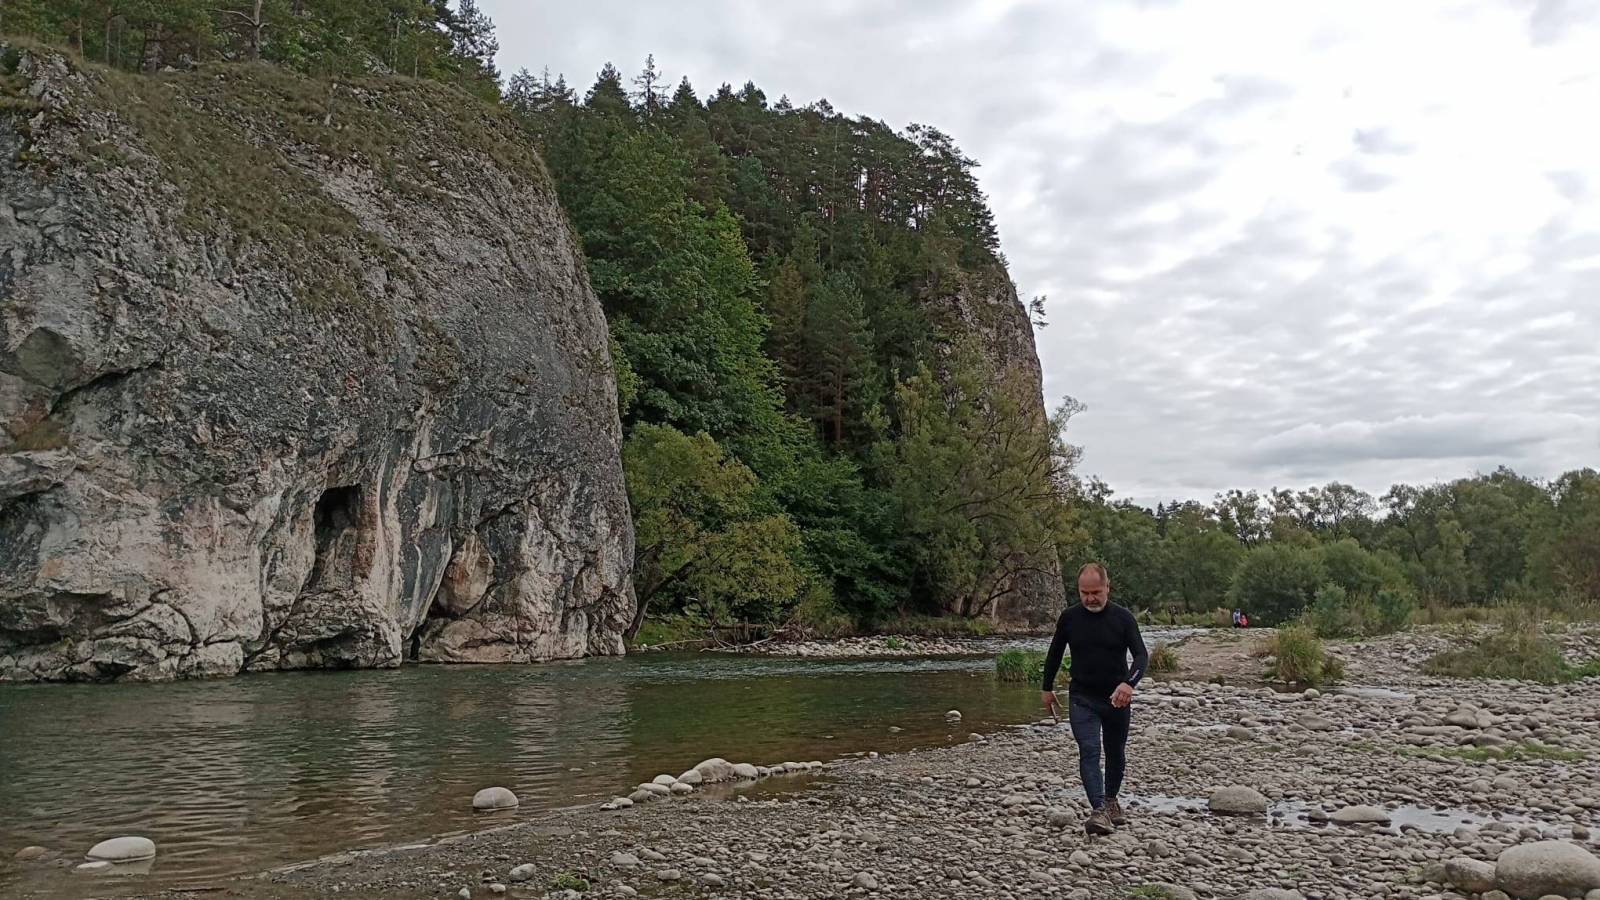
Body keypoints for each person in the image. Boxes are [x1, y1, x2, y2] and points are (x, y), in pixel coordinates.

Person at [1040, 562, 1149, 835]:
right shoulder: (1069, 618)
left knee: (1116, 752)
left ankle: (1111, 800)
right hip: (1082, 697)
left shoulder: (1123, 618)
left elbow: (1141, 656)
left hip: (1116, 699)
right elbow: (1054, 653)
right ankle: (1098, 810)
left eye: (1095, 592)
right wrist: (1046, 687)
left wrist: (1129, 684)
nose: (1090, 598)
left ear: (1107, 588)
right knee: (1089, 749)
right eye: (1084, 593)